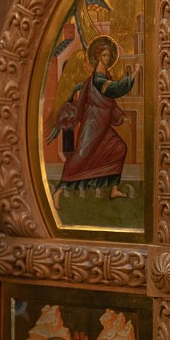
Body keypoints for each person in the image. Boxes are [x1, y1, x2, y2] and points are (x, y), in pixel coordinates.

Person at [48, 35, 136, 210]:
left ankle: (114, 189)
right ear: (97, 57)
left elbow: (110, 103)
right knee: (81, 155)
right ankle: (59, 191)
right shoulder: (98, 78)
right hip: (93, 123)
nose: (107, 58)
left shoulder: (105, 75)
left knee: (119, 148)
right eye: (104, 55)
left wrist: (120, 116)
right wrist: (131, 77)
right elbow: (114, 89)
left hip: (103, 122)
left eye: (109, 55)